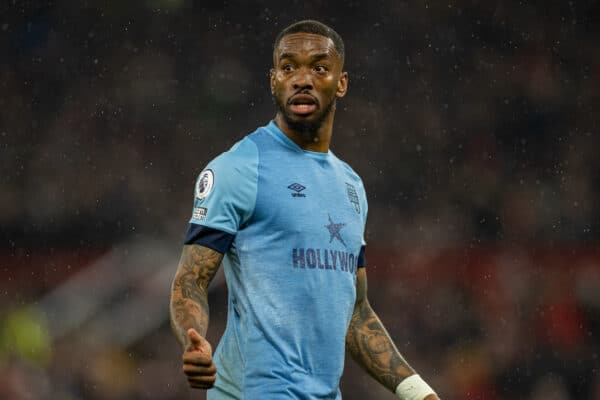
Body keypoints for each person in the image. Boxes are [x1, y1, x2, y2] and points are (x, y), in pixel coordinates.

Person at [169, 19, 440, 400]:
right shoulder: (239, 168)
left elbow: (356, 313)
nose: (301, 78)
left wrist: (418, 392)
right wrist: (193, 341)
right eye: (288, 67)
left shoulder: (351, 186)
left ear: (341, 83)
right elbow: (189, 280)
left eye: (318, 67)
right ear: (273, 80)